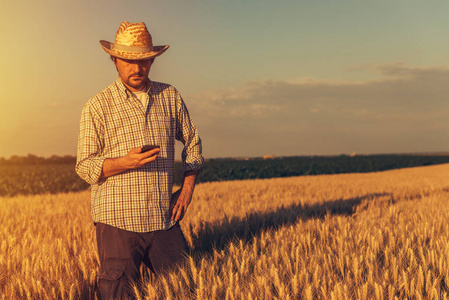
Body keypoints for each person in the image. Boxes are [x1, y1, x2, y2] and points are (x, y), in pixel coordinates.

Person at [76, 21, 204, 299]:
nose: (137, 69)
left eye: (144, 61)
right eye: (128, 61)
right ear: (113, 59)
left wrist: (187, 190)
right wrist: (125, 162)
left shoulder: (169, 96)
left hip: (163, 218)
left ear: (152, 60)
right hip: (117, 223)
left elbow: (193, 143)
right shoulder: (97, 105)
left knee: (185, 290)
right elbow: (85, 167)